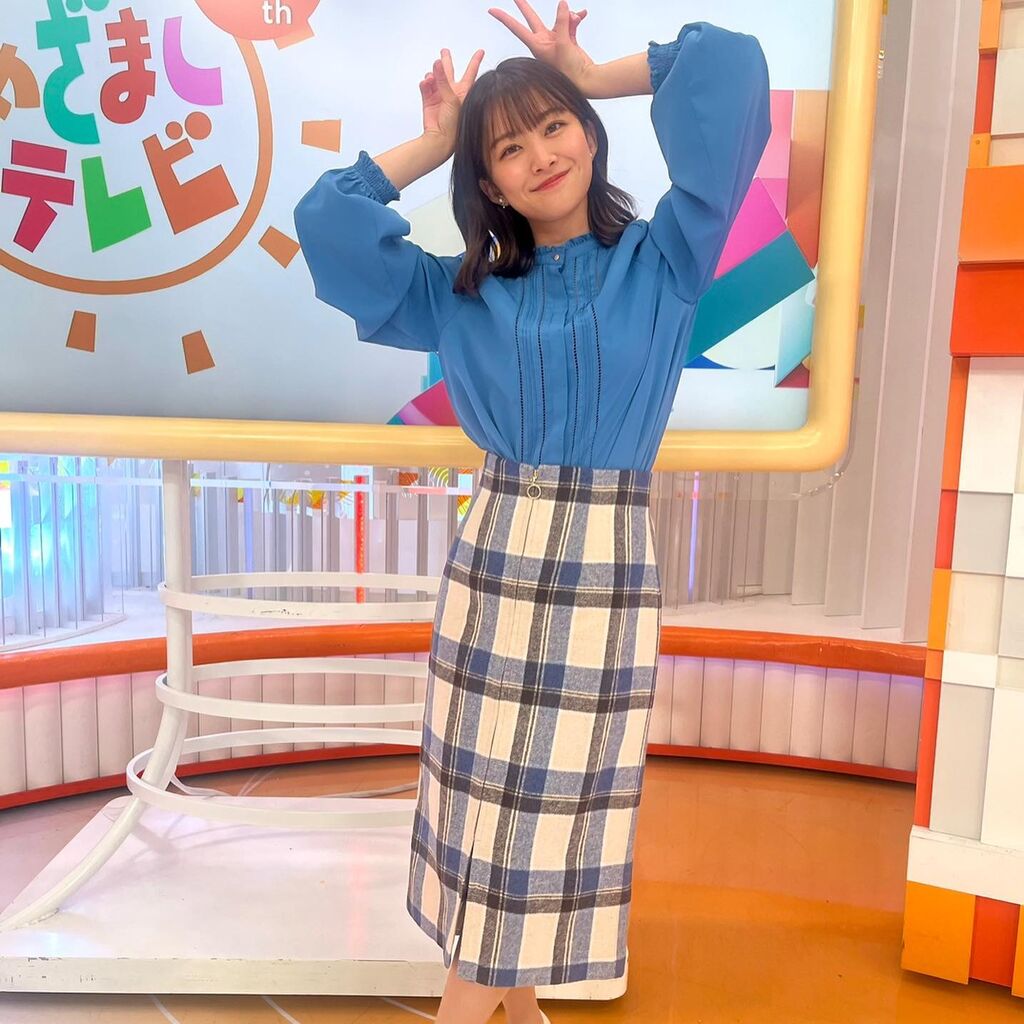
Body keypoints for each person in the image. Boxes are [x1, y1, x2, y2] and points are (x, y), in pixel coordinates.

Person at [294, 2, 771, 1020]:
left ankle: (492, 1006)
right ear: (489, 184)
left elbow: (727, 66)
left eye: (555, 126)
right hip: (495, 565)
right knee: (483, 815)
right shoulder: (458, 292)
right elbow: (327, 221)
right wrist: (439, 139)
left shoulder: (667, 256)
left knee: (552, 822)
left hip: (604, 570)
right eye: (508, 148)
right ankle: (513, 1008)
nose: (541, 156)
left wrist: (590, 74)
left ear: (590, 136)